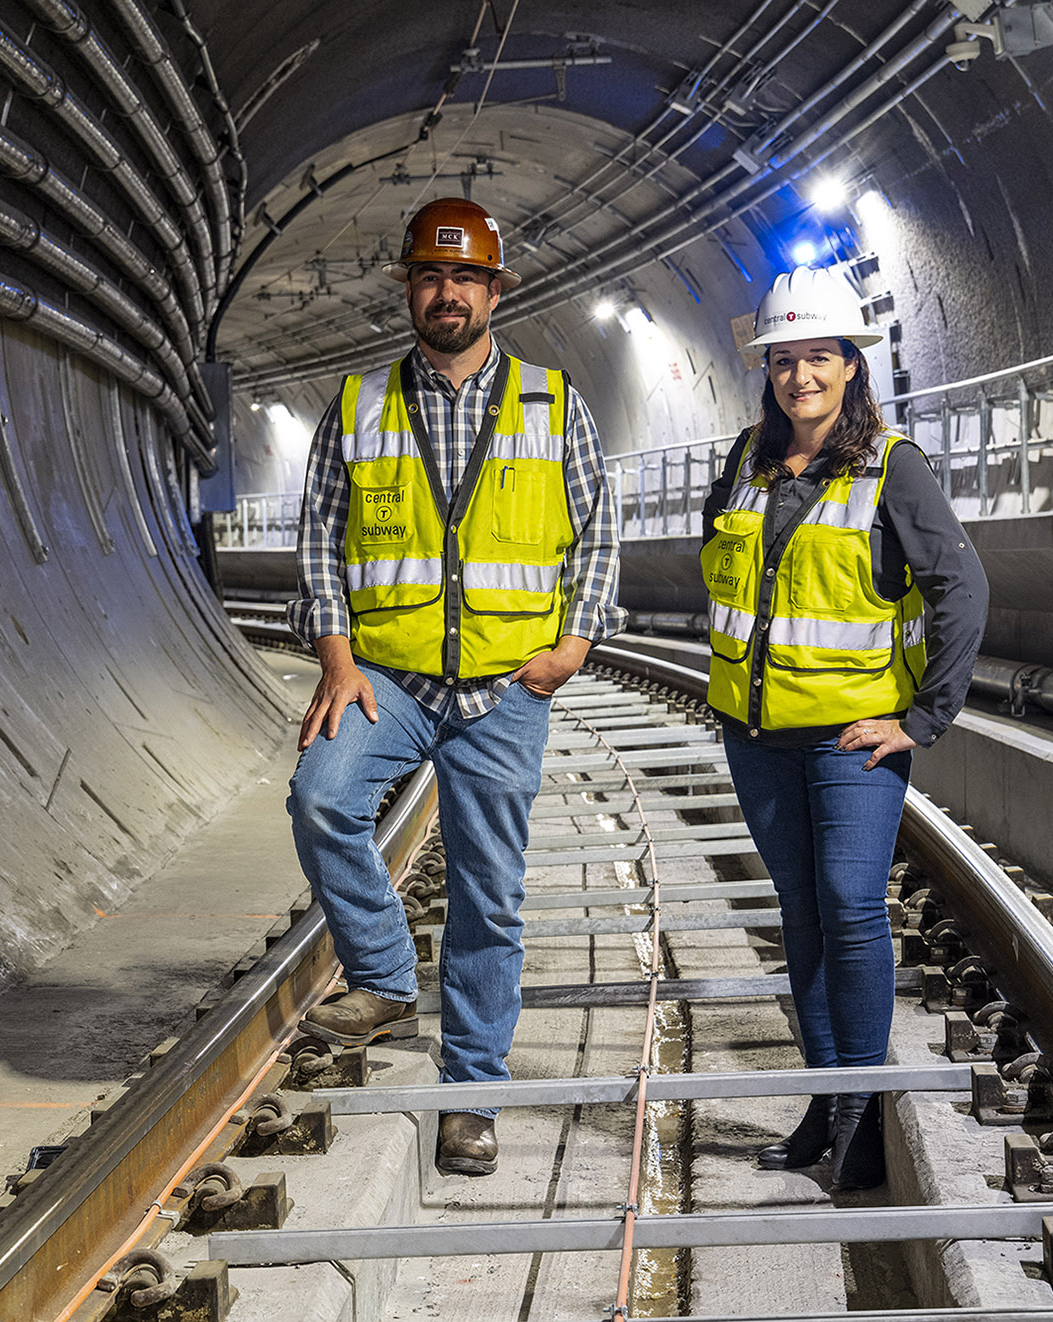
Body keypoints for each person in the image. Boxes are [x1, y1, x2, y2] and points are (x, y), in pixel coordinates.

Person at [285, 197, 626, 1176]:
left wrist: (575, 644)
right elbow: (319, 538)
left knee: (490, 892)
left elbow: (596, 527)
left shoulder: (554, 404)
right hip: (387, 678)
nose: (448, 294)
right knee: (322, 795)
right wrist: (338, 661)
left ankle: (473, 1091)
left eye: (466, 278)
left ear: (493, 292)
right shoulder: (358, 405)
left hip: (503, 689)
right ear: (409, 287)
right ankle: (387, 977)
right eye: (431, 277)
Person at [701, 266, 988, 1190]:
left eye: (819, 356)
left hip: (851, 738)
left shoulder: (891, 465)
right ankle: (826, 1102)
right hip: (757, 736)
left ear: (853, 364)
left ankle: (864, 1115)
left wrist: (922, 717)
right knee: (803, 915)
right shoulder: (746, 458)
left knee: (854, 908)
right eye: (785, 360)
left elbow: (962, 587)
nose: (800, 376)